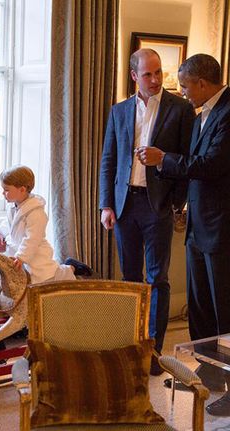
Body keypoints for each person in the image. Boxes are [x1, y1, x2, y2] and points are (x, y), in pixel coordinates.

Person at [136, 53, 230, 416]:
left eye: (186, 85)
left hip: (221, 230)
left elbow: (211, 167)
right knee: (201, 312)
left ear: (203, 84)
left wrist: (163, 160)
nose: (184, 92)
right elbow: (193, 167)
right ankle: (206, 380)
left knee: (225, 315)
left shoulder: (227, 113)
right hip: (198, 229)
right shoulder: (202, 113)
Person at [99, 48, 195, 375]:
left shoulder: (181, 109)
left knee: (158, 279)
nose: (155, 80)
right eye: (148, 74)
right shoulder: (119, 111)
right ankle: (131, 342)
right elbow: (108, 160)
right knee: (129, 279)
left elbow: (187, 161)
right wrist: (106, 204)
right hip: (125, 205)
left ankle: (153, 351)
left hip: (159, 205)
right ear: (134, 76)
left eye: (158, 73)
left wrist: (175, 202)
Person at [0, 165, 92, 283]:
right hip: (19, 252)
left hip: (35, 253)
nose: (3, 193)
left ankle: (71, 267)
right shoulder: (13, 207)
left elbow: (33, 238)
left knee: (49, 276)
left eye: (6, 190)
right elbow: (9, 224)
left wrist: (21, 257)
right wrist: (0, 234)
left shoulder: (36, 212)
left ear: (22, 189)